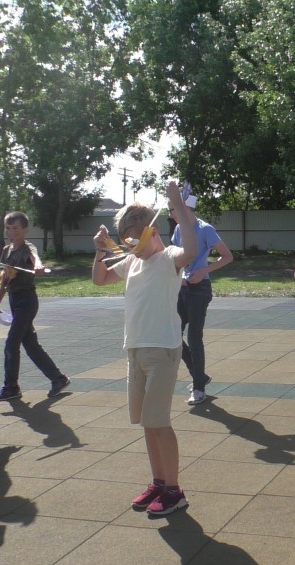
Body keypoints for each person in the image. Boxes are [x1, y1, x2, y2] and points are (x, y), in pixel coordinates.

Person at [91, 182, 197, 516]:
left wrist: (178, 205)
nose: (131, 247)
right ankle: (159, 482)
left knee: (159, 421)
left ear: (152, 232)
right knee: (147, 423)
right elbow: (100, 279)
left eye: (135, 240)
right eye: (126, 242)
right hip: (135, 350)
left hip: (162, 350)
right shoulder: (131, 263)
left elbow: (192, 249)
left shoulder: (169, 259)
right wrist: (100, 251)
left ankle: (175, 490)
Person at [0, 211, 70, 402]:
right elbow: (5, 279)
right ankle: (58, 378)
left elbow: (35, 258)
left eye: (15, 228)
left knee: (12, 343)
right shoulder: (6, 251)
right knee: (31, 345)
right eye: (8, 228)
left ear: (25, 229)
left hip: (27, 301)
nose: (11, 232)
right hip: (14, 300)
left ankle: (11, 387)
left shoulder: (28, 248)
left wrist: (38, 266)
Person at [169, 184, 234, 405]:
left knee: (194, 338)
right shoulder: (179, 230)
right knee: (173, 334)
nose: (170, 213)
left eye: (172, 208)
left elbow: (227, 256)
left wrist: (203, 270)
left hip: (199, 290)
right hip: (182, 289)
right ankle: (200, 376)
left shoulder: (205, 229)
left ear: (185, 208)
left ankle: (198, 388)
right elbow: (176, 257)